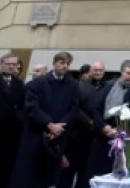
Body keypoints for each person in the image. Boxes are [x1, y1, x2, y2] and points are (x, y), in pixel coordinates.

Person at [8, 52, 80, 188]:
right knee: (29, 173)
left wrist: (59, 127)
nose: (64, 66)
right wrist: (49, 124)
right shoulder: (38, 83)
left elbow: (74, 108)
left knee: (50, 176)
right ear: (54, 63)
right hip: (36, 134)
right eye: (61, 62)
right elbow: (31, 106)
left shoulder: (73, 85)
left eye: (67, 64)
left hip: (58, 136)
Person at [86, 60, 130, 178]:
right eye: (128, 73)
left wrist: (121, 130)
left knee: (118, 175)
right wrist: (105, 127)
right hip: (103, 136)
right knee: (96, 174)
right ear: (122, 73)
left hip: (124, 140)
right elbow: (95, 110)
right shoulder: (108, 87)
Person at [0, 53, 26, 188]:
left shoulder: (19, 84)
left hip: (11, 135)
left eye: (14, 64)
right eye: (8, 64)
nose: (11, 67)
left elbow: (21, 107)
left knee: (6, 171)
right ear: (1, 64)